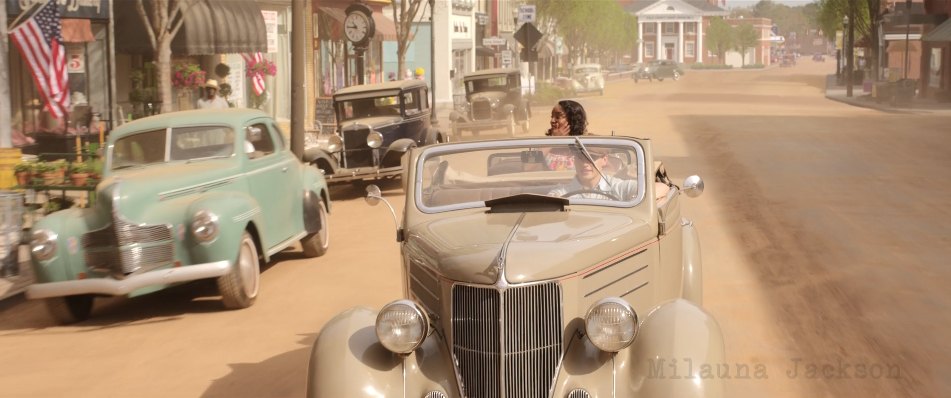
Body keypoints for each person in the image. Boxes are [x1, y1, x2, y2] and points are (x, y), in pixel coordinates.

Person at [548, 146, 637, 201]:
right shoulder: (562, 192)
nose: (585, 163)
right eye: (580, 157)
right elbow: (552, 200)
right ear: (574, 159)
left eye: (592, 157)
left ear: (605, 160)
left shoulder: (618, 188)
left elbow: (643, 189)